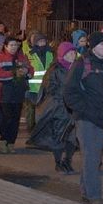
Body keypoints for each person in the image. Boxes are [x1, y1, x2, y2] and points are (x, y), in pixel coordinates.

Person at [64, 31, 103, 204]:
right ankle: (94, 195)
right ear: (93, 47)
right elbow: (69, 93)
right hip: (87, 119)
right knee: (92, 157)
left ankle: (85, 191)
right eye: (101, 44)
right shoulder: (82, 63)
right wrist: (85, 110)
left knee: (93, 157)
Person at [25, 41, 77, 174]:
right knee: (59, 137)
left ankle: (68, 161)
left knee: (73, 137)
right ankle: (59, 162)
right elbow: (49, 88)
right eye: (69, 52)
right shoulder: (54, 69)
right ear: (62, 54)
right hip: (60, 108)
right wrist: (63, 97)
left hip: (75, 109)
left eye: (74, 52)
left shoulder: (77, 68)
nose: (73, 54)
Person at [0, 37, 34, 154]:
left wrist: (27, 72)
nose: (14, 47)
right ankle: (3, 140)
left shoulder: (21, 57)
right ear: (5, 46)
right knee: (7, 117)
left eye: (16, 45)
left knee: (15, 119)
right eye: (11, 45)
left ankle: (11, 142)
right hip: (5, 93)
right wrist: (13, 73)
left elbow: (30, 69)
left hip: (18, 93)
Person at [23, 32, 54, 133]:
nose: (42, 43)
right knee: (31, 110)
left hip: (46, 87)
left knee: (43, 109)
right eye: (39, 41)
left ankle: (41, 129)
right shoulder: (29, 55)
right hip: (33, 87)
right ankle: (31, 129)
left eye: (43, 41)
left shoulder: (51, 53)